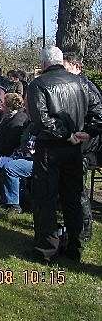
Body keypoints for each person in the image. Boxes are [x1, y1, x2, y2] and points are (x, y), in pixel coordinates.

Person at [27, 46, 102, 262]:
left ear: (43, 64)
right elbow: (98, 113)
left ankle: (47, 248)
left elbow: (40, 119)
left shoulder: (38, 84)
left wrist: (70, 134)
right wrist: (84, 133)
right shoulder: (82, 82)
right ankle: (74, 245)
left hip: (51, 149)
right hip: (74, 149)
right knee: (72, 197)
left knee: (46, 198)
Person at [63, 51, 101, 242]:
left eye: (66, 68)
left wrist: (89, 133)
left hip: (84, 147)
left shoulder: (86, 87)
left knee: (78, 189)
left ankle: (85, 229)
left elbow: (97, 115)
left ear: (77, 67)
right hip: (73, 144)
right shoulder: (72, 85)